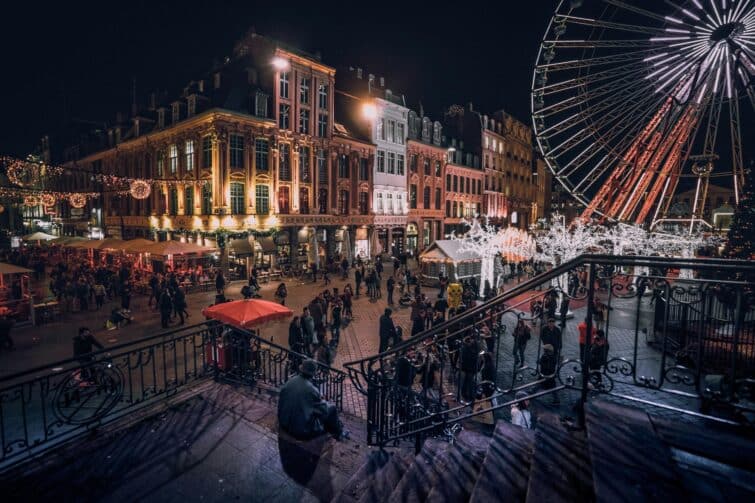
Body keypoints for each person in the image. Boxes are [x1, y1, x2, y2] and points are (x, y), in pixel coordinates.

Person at [277, 359, 348, 440]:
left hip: (284, 424)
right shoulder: (311, 389)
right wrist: (324, 401)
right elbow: (324, 410)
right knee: (332, 409)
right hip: (300, 431)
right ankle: (339, 433)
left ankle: (336, 431)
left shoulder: (290, 381)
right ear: (313, 373)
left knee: (316, 410)